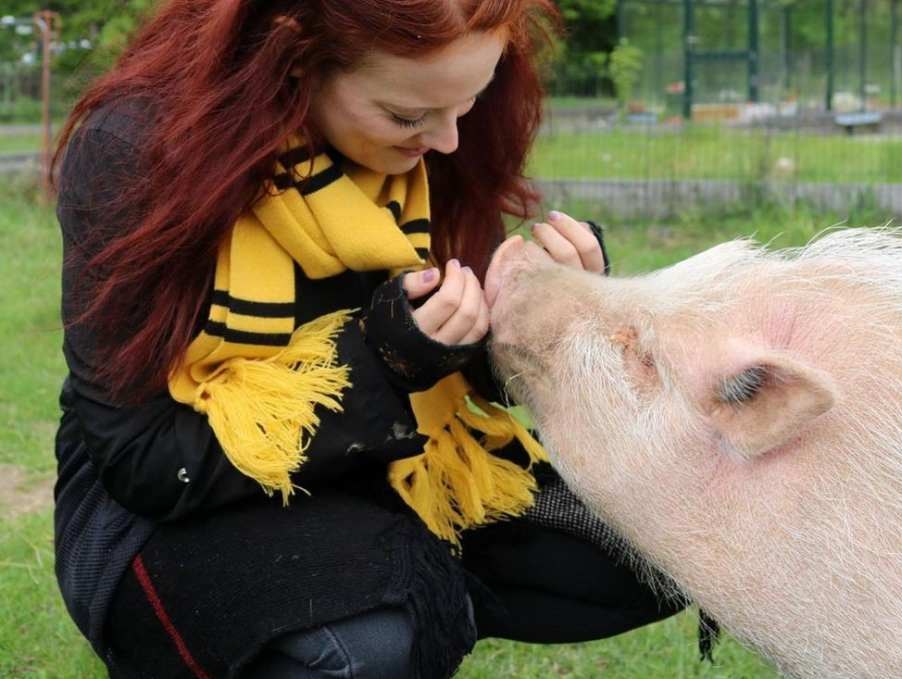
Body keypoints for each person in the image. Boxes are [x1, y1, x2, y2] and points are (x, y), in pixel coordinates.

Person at [52, 1, 683, 677]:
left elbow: (469, 377)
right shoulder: (136, 149)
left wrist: (547, 310)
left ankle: (404, 589)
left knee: (669, 539)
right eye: (408, 116)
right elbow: (144, 460)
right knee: (368, 643)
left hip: (399, 465)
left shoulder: (432, 136)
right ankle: (362, 606)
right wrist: (385, 361)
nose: (445, 141)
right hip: (174, 505)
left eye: (467, 102)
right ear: (292, 58)